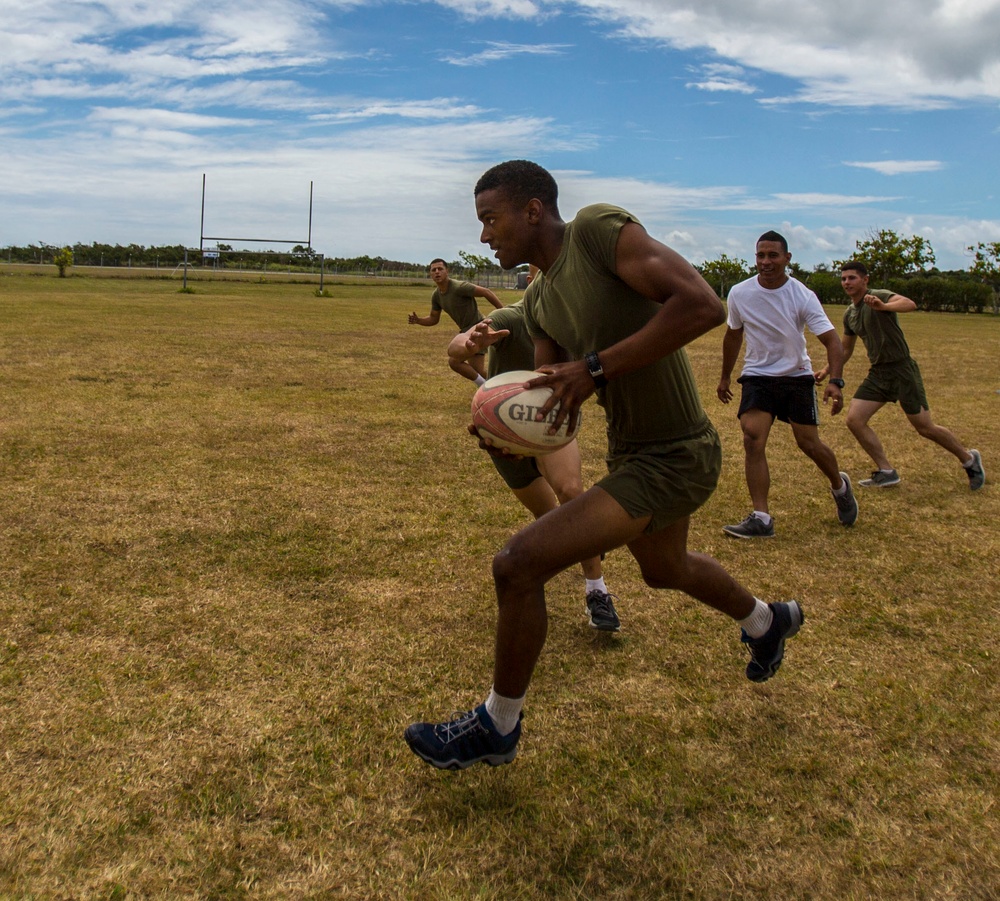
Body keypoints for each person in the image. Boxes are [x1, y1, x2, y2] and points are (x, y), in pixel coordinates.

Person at [405, 160, 804, 770]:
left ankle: (497, 725)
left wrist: (593, 369)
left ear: (533, 209)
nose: (484, 235)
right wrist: (505, 430)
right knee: (665, 569)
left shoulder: (596, 232)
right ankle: (766, 620)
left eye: (491, 218)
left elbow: (699, 304)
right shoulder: (539, 301)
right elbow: (550, 404)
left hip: (677, 454)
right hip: (635, 453)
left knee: (517, 564)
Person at [447, 291, 622, 632]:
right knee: (551, 519)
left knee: (572, 494)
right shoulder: (514, 317)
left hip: (551, 427)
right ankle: (585, 545)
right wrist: (470, 343)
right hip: (502, 432)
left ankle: (596, 591)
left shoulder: (581, 322)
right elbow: (454, 347)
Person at [717, 231, 858, 538]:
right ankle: (761, 518)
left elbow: (832, 341)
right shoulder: (740, 293)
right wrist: (726, 375)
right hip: (757, 376)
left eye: (772, 256)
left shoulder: (802, 295)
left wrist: (835, 380)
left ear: (787, 258)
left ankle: (839, 485)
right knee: (752, 438)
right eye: (760, 256)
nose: (765, 262)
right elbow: (733, 335)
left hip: (796, 377)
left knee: (808, 444)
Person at [815, 261, 985, 490]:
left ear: (865, 280)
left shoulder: (878, 296)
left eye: (852, 278)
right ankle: (886, 471)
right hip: (879, 373)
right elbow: (845, 349)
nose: (847, 282)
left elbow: (909, 303)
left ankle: (969, 459)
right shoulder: (850, 314)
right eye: (844, 278)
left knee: (925, 427)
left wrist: (883, 306)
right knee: (855, 420)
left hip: (902, 369)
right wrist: (828, 371)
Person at [408, 258, 504, 385]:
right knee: (477, 370)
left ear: (447, 271)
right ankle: (495, 387)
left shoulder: (459, 287)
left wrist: (503, 311)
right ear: (430, 274)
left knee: (455, 362)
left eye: (440, 269)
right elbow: (433, 319)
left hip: (478, 328)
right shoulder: (437, 296)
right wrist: (419, 320)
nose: (437, 272)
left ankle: (485, 387)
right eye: (433, 270)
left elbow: (486, 292)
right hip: (467, 331)